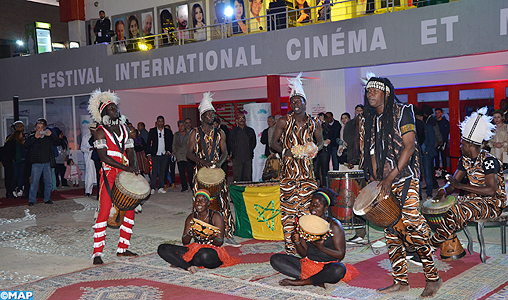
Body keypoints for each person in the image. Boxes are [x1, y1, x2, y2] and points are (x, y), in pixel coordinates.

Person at [360, 77, 441, 297]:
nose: (370, 94)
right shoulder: (373, 119)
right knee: (391, 229)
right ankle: (401, 280)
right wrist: (377, 179)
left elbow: (409, 146)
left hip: (406, 178)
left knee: (412, 223)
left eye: (374, 90)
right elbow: (374, 152)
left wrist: (390, 177)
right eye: (367, 91)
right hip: (386, 182)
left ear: (386, 93)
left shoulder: (403, 111)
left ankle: (433, 277)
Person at [430, 107, 507, 260]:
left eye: (462, 144)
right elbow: (454, 182)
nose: (460, 146)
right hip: (474, 201)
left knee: (457, 211)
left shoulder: (489, 161)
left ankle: (429, 248)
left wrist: (462, 187)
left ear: (471, 145)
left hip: (492, 203)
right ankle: (453, 247)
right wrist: (444, 190)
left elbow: (491, 190)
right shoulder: (464, 160)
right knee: (442, 210)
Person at [271, 73, 323, 254]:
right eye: (292, 102)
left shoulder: (313, 122)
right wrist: (284, 151)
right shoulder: (283, 121)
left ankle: (306, 245)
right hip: (288, 176)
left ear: (305, 102)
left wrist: (314, 149)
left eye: (298, 101)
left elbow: (321, 142)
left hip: (308, 175)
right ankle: (290, 247)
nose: (295, 104)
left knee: (307, 211)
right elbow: (273, 143)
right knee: (288, 212)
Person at [88, 90, 139, 265]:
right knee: (104, 211)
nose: (115, 110)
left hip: (124, 174)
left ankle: (122, 249)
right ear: (103, 113)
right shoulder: (100, 132)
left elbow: (130, 150)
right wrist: (126, 166)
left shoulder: (125, 129)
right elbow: (103, 157)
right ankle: (97, 253)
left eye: (115, 107)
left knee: (130, 209)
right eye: (110, 108)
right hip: (109, 174)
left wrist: (133, 167)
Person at [187, 92, 239, 246]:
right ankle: (199, 233)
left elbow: (225, 153)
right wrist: (202, 161)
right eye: (208, 114)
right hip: (200, 173)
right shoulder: (195, 133)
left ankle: (228, 233)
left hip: (217, 173)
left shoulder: (220, 132)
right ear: (202, 117)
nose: (211, 116)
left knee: (223, 203)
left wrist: (219, 164)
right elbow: (189, 153)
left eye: (212, 113)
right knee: (199, 204)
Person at [270, 188, 347, 287]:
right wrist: (297, 242)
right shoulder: (305, 223)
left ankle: (302, 282)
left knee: (339, 269)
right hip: (309, 264)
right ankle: (316, 279)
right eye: (312, 204)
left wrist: (321, 248)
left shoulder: (334, 225)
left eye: (318, 205)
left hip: (328, 265)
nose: (314, 207)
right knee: (275, 259)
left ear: (326, 208)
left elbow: (340, 255)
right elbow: (304, 254)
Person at [158, 190, 241, 274]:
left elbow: (219, 242)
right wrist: (190, 233)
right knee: (163, 248)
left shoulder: (216, 216)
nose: (199, 203)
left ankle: (182, 263)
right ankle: (187, 266)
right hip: (195, 248)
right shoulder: (191, 217)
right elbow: (185, 242)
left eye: (203, 200)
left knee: (204, 255)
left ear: (208, 203)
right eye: (197, 200)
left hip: (211, 250)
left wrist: (210, 237)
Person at [25, 118, 61, 206]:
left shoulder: (48, 137)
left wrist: (51, 135)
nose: (40, 129)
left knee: (48, 182)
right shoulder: (32, 137)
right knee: (34, 182)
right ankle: (32, 200)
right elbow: (26, 145)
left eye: (41, 127)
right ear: (35, 128)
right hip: (36, 163)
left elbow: (57, 142)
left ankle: (47, 199)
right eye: (38, 127)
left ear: (45, 128)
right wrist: (35, 138)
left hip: (47, 163)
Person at [146, 116, 173, 194]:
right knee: (154, 172)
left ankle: (160, 187)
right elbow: (148, 143)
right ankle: (153, 187)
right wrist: (148, 153)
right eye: (159, 121)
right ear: (156, 122)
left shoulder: (168, 131)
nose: (160, 123)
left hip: (164, 154)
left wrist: (168, 151)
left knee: (163, 171)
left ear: (164, 122)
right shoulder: (152, 131)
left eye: (162, 121)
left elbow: (170, 142)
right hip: (155, 154)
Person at [415, 109, 437, 201]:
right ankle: (419, 194)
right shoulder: (414, 127)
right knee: (418, 174)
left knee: (428, 174)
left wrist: (427, 151)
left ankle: (429, 193)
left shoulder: (428, 127)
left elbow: (432, 140)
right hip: (418, 154)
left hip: (426, 154)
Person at [228, 112, 256, 182]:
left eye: (243, 118)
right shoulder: (233, 132)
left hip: (247, 157)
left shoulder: (250, 131)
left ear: (245, 120)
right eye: (239, 118)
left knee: (248, 177)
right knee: (237, 178)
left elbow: (254, 143)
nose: (241, 119)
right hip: (237, 158)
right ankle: (237, 192)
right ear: (236, 120)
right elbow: (229, 143)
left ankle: (248, 192)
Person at [4, 130, 26, 198]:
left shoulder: (22, 143)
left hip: (22, 160)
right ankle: (13, 189)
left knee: (21, 175)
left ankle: (20, 188)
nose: (22, 136)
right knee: (15, 175)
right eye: (21, 134)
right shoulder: (12, 143)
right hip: (15, 161)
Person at [173, 120, 193, 192]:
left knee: (190, 172)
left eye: (182, 126)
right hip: (179, 156)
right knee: (181, 173)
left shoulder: (189, 134)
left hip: (187, 156)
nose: (181, 127)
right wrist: (175, 152)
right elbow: (174, 144)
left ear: (184, 126)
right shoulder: (176, 134)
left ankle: (192, 185)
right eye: (179, 126)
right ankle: (184, 186)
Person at [313, 113, 330, 187]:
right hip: (316, 150)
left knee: (324, 170)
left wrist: (323, 124)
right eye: (319, 118)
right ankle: (316, 186)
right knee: (315, 170)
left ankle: (325, 186)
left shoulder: (326, 127)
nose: (320, 119)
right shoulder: (313, 128)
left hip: (324, 151)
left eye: (322, 118)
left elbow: (329, 136)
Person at [81, 123, 97, 197]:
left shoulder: (99, 136)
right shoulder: (85, 137)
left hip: (97, 157)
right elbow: (82, 148)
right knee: (89, 174)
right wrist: (90, 149)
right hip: (89, 158)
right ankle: (88, 191)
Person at [434, 108, 450, 177]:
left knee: (444, 157)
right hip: (435, 142)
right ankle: (437, 171)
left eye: (438, 113)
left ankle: (444, 171)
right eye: (436, 113)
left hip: (443, 142)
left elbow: (446, 132)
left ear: (442, 113)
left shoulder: (445, 122)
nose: (437, 114)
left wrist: (443, 141)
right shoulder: (434, 122)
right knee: (436, 157)